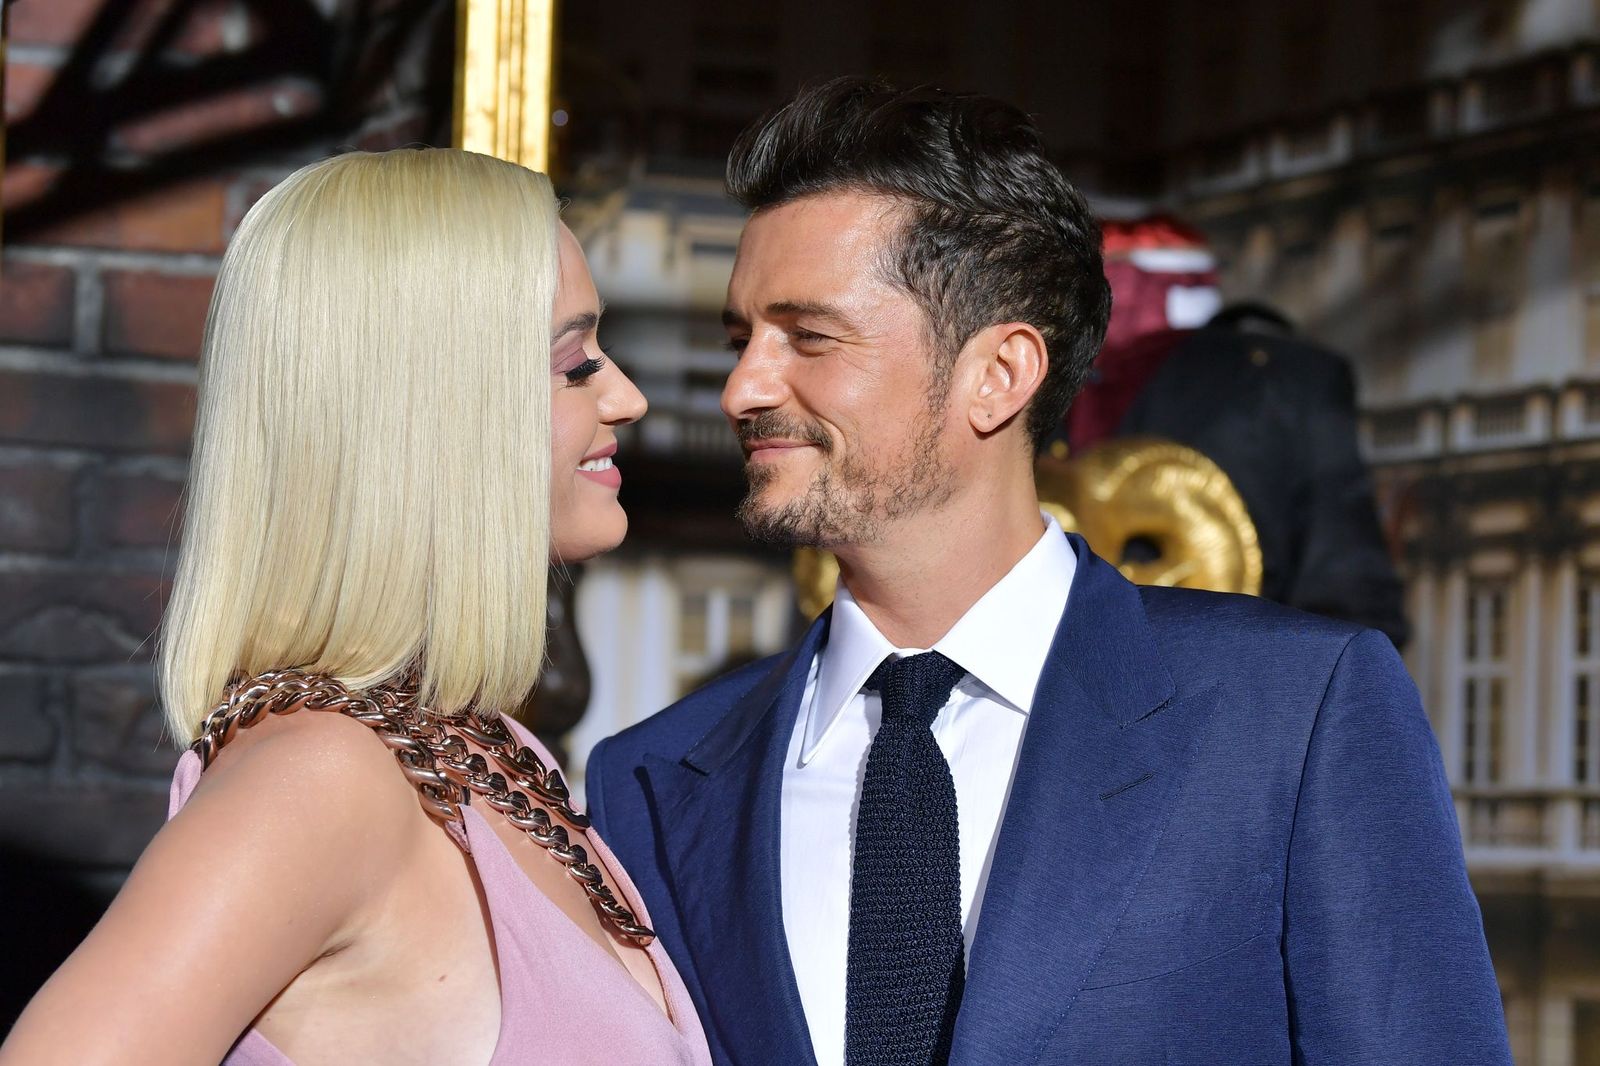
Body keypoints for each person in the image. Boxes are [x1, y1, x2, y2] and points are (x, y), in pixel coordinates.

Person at [584, 78, 1511, 1066]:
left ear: (1000, 373)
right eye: (740, 339)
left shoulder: (1292, 719)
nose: (743, 387)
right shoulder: (652, 780)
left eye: (808, 335)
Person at [2, 148, 711, 1066]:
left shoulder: (487, 748)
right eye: (574, 363)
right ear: (435, 407)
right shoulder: (321, 782)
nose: (628, 395)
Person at [1067, 216, 1409, 646]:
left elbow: (1345, 586)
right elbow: (1347, 588)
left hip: (1229, 672)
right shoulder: (1290, 376)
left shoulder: (1286, 378)